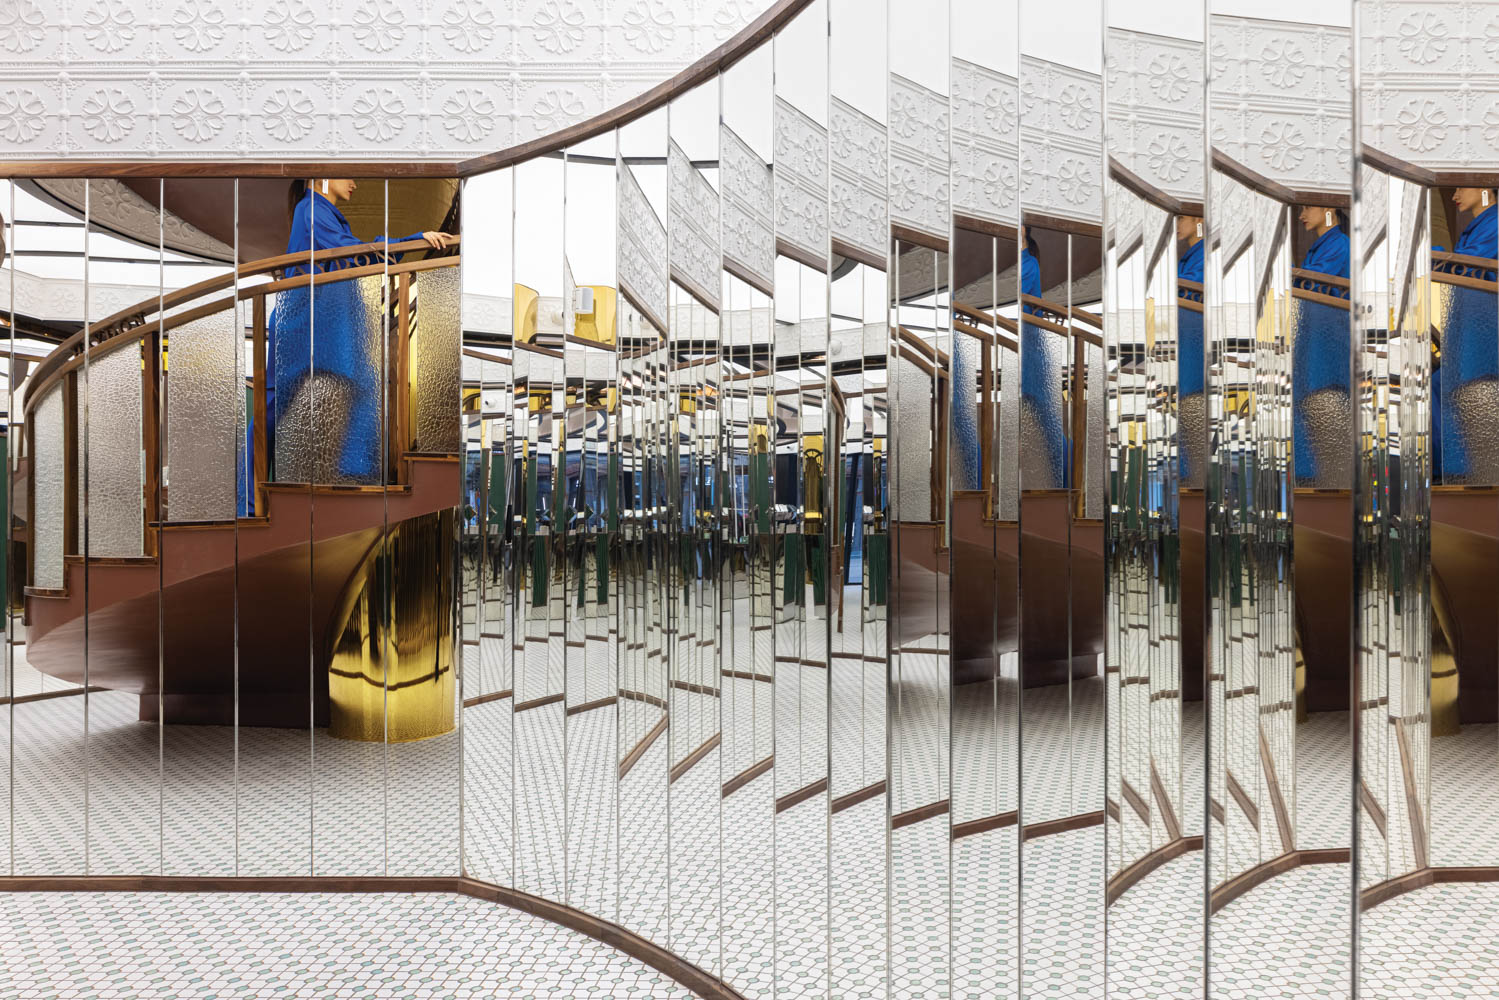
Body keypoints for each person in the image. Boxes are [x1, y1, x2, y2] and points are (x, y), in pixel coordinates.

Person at [245, 180, 455, 507]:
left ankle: (353, 470)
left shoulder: (321, 213)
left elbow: (351, 259)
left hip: (324, 321)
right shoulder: (310, 210)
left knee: (362, 382)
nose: (354, 184)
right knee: (271, 407)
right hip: (304, 323)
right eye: (347, 176)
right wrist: (414, 239)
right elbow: (353, 253)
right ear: (323, 177)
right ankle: (248, 501)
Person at [1433, 187, 1499, 481]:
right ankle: (1453, 471)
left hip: (1484, 329)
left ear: (1485, 191)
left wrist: (1430, 256)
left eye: (1462, 187)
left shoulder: (1495, 222)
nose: (1455, 194)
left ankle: (1463, 473)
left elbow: (1469, 268)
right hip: (1471, 329)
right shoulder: (1478, 228)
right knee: (1439, 385)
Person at [1291, 205, 1351, 485]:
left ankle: (1331, 484)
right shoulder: (1325, 247)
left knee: (1324, 406)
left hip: (1327, 343)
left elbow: (1312, 286)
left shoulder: (1339, 245)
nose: (1302, 215)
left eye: (1308, 208)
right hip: (1317, 340)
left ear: (1329, 211)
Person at [1018, 227, 1066, 489]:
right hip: (1028, 348)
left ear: (1022, 230)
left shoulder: (1029, 264)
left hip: (1032, 348)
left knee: (1045, 418)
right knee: (1038, 417)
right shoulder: (1022, 264)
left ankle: (1061, 481)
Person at [1177, 216, 1205, 486]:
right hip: (1187, 345)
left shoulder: (1206, 254)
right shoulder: (1188, 258)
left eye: (1181, 217)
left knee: (1192, 407)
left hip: (1196, 346)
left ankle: (1194, 481)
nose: (1176, 223)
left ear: (1199, 220)